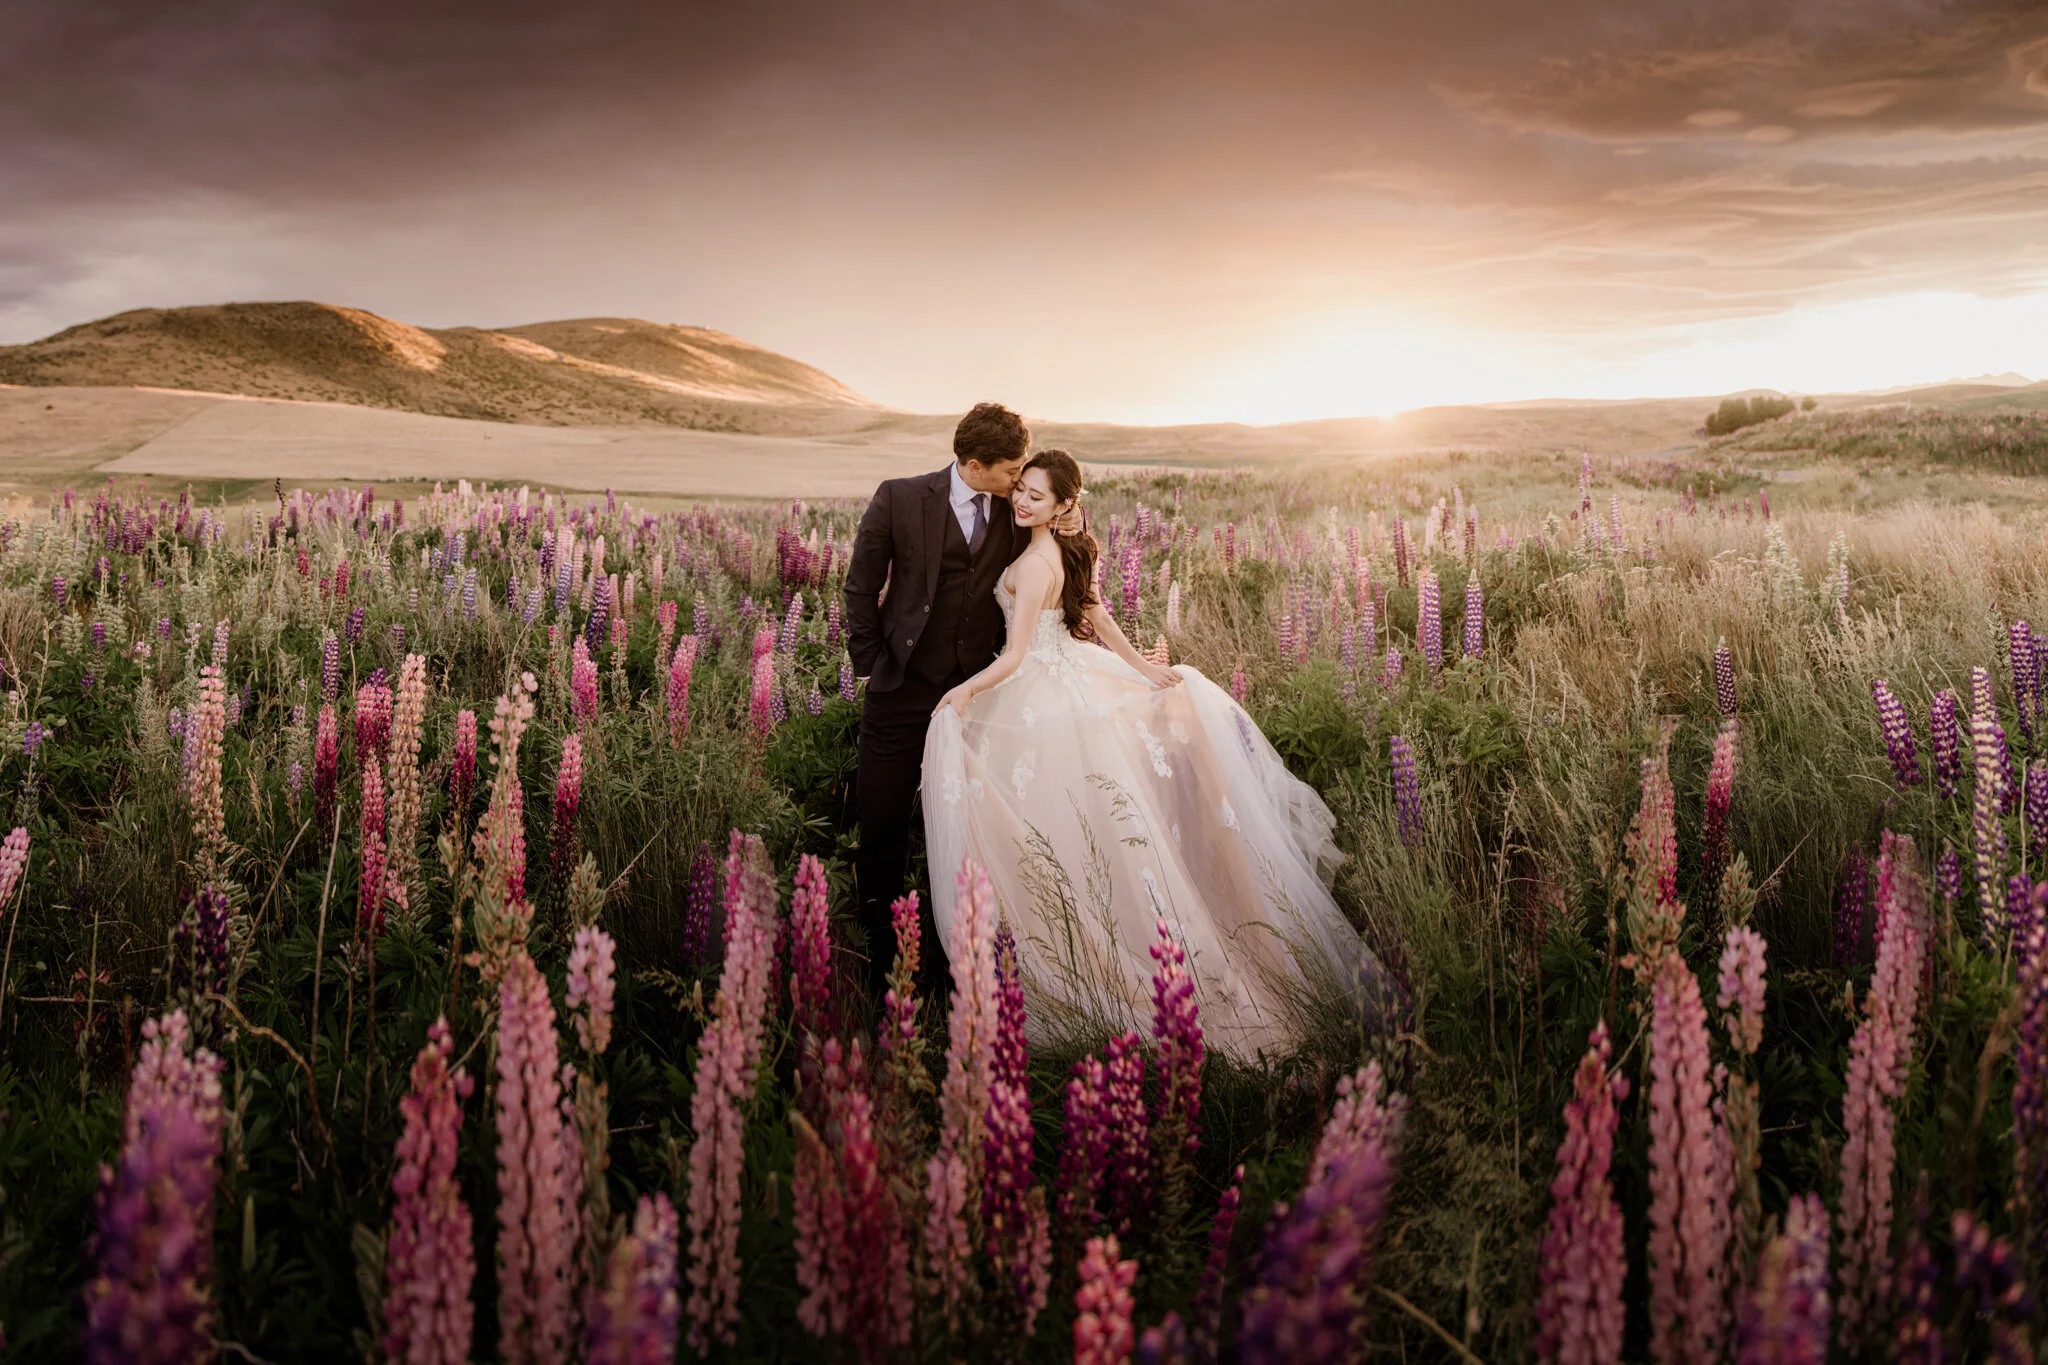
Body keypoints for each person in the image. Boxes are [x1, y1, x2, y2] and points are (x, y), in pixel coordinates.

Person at [920, 450, 1386, 1061]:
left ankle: (1097, 967)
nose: (1023, 500)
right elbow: (1095, 613)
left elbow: (1015, 656)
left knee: (1060, 830)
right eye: (1022, 490)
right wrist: (1141, 668)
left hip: (1040, 691)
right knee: (1104, 830)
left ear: (1064, 504)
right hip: (1074, 685)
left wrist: (963, 691)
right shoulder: (1067, 552)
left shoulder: (1034, 565)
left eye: (1037, 494)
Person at [843, 402, 1035, 999]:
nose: (1019, 479)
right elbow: (860, 584)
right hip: (902, 687)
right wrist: (873, 668)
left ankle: (958, 953)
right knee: (882, 821)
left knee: (969, 827)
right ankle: (880, 959)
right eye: (1010, 469)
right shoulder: (900, 497)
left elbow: (1060, 530)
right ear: (974, 466)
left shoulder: (1014, 507)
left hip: (978, 693)